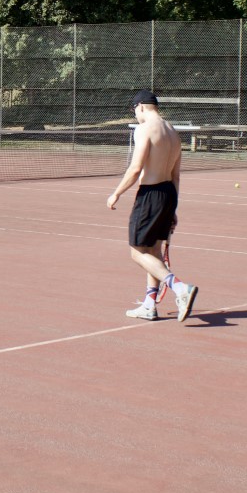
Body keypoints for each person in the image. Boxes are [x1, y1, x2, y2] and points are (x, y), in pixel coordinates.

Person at [106, 89, 198, 322]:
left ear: (140, 107)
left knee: (137, 252)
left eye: (135, 111)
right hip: (168, 194)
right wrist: (172, 208)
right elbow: (176, 176)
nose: (136, 116)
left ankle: (180, 288)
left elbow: (135, 168)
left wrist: (116, 193)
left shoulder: (144, 129)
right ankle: (149, 305)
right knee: (154, 252)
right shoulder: (173, 132)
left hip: (150, 195)